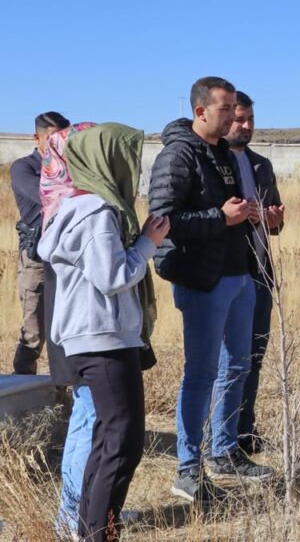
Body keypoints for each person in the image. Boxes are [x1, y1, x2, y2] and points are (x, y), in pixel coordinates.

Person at [37, 123, 170, 541]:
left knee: (108, 438)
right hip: (104, 337)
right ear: (106, 160)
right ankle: (98, 534)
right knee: (123, 442)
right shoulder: (98, 213)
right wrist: (148, 242)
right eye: (126, 157)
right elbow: (113, 276)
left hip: (94, 337)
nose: (133, 167)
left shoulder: (74, 208)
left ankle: (89, 530)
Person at [148, 76, 272, 503]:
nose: (234, 115)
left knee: (237, 364)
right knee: (201, 373)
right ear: (201, 111)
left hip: (239, 274)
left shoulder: (222, 153)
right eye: (226, 109)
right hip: (203, 279)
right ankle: (187, 468)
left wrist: (248, 214)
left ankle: (224, 451)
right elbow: (163, 222)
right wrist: (222, 218)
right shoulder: (177, 156)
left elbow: (229, 212)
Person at [38, 122, 97, 534]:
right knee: (88, 420)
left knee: (85, 417)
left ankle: (74, 513)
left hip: (71, 334)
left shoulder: (58, 208)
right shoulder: (81, 213)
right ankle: (74, 517)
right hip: (86, 334)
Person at [225, 91, 285, 455]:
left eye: (250, 119)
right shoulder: (215, 161)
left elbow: (274, 218)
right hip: (228, 275)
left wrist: (275, 220)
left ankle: (245, 430)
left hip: (261, 273)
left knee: (254, 357)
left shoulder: (261, 164)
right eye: (239, 119)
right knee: (227, 363)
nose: (246, 126)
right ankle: (220, 436)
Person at [11, 111, 70, 374]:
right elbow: (48, 195)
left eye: (64, 138)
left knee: (65, 333)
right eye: (53, 138)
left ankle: (61, 395)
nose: (59, 144)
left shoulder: (70, 170)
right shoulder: (23, 167)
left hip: (65, 260)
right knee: (33, 335)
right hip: (36, 260)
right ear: (38, 138)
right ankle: (22, 396)